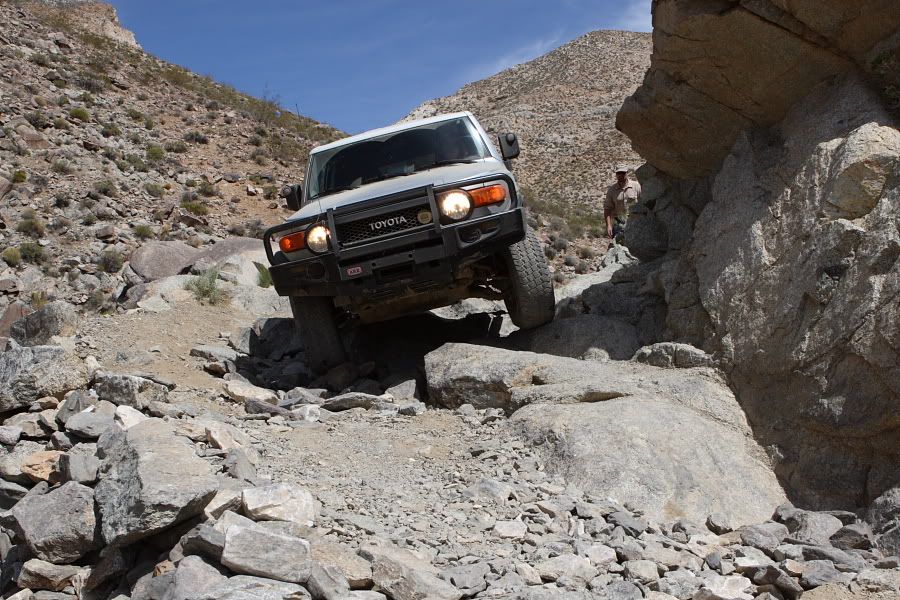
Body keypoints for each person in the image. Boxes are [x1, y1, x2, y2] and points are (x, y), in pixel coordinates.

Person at [604, 165, 641, 241]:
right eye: (618, 173)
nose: (620, 175)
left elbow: (644, 203)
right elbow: (607, 209)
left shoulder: (636, 186)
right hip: (618, 224)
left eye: (623, 173)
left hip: (635, 222)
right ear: (616, 174)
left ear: (627, 173)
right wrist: (609, 226)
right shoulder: (611, 190)